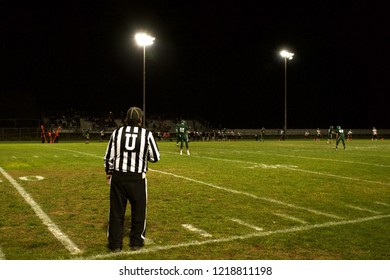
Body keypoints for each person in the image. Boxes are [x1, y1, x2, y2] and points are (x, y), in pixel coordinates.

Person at [104, 106, 160, 252]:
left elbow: (108, 157)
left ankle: (115, 244)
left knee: (116, 212)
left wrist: (108, 172)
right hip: (137, 179)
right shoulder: (146, 134)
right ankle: (136, 243)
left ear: (127, 119)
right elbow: (155, 157)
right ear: (140, 119)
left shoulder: (117, 133)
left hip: (118, 177)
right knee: (139, 211)